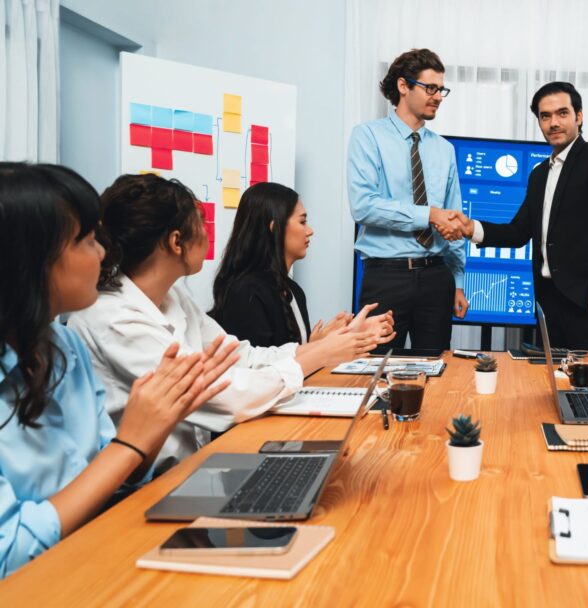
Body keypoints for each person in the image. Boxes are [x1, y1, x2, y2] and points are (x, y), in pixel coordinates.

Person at [0, 162, 237, 577]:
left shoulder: (65, 346)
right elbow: (10, 556)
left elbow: (111, 483)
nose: (103, 254)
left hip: (105, 550)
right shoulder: (100, 322)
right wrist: (130, 443)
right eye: (88, 240)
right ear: (31, 259)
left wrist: (153, 427)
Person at [69, 174, 392, 473]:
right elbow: (226, 396)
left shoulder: (173, 297)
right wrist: (321, 353)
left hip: (188, 468)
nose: (208, 234)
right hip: (140, 486)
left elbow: (243, 356)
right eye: (201, 223)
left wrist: (330, 345)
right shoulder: (113, 317)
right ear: (176, 241)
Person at [453, 81, 588, 354]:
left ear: (579, 116)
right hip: (548, 304)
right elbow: (518, 233)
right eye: (545, 116)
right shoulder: (539, 174)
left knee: (587, 382)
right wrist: (471, 228)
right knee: (549, 379)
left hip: (586, 306)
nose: (554, 123)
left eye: (562, 113)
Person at [347, 48, 468, 351]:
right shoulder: (367, 136)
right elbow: (364, 206)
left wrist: (458, 281)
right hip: (386, 277)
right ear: (403, 86)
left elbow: (453, 219)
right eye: (430, 88)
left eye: (441, 90)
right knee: (375, 369)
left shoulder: (445, 150)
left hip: (437, 278)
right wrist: (429, 215)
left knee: (436, 368)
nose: (438, 97)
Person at [210, 182, 388, 347]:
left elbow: (296, 357)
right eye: (302, 222)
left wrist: (345, 335)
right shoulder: (246, 292)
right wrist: (323, 345)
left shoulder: (293, 290)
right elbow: (262, 366)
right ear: (275, 228)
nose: (310, 231)